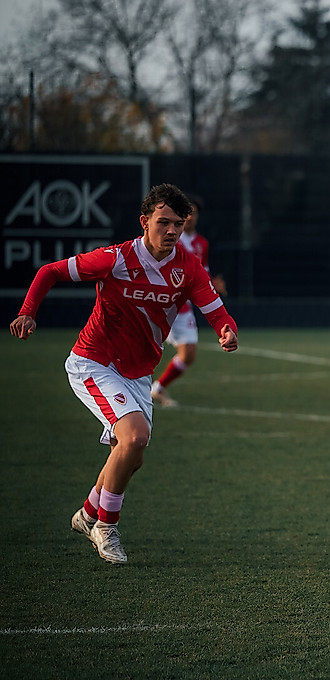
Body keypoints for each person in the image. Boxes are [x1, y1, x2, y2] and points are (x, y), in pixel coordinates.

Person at [9, 183, 238, 565]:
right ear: (144, 221)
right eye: (163, 222)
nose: (171, 231)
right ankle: (106, 527)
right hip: (94, 363)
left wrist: (226, 330)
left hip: (137, 373)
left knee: (131, 455)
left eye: (178, 225)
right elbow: (49, 271)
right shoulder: (114, 259)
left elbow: (216, 312)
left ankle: (87, 513)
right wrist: (28, 310)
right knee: (134, 436)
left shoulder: (189, 267)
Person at [151, 194, 227, 408]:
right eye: (187, 213)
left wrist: (213, 284)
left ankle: (158, 388)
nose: (190, 217)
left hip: (184, 307)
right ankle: (131, 389)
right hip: (164, 303)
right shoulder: (171, 238)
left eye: (194, 213)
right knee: (143, 350)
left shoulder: (202, 243)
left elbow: (201, 273)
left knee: (189, 354)